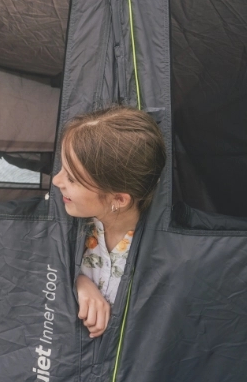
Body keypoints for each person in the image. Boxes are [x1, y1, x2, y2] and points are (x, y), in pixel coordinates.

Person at [52, 106, 166, 338]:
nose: (56, 180)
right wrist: (78, 282)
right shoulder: (72, 226)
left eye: (71, 178)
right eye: (61, 169)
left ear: (118, 199)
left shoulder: (160, 252)